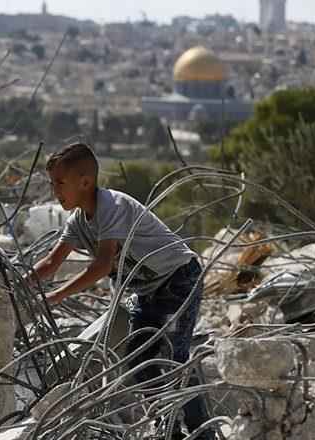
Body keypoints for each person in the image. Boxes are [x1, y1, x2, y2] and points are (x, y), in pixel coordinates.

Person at [25, 143, 212, 439]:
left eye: (60, 183)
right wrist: (19, 284)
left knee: (174, 359)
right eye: (51, 183)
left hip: (179, 279)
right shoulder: (78, 221)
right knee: (140, 361)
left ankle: (202, 432)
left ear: (85, 182)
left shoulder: (111, 207)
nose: (54, 190)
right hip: (147, 292)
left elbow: (101, 266)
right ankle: (171, 429)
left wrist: (56, 296)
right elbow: (51, 261)